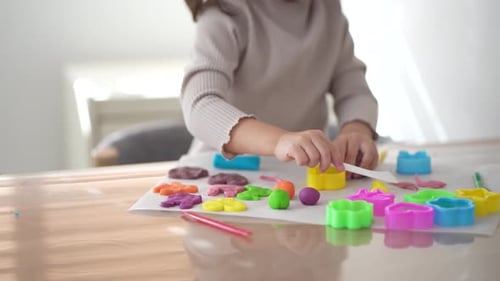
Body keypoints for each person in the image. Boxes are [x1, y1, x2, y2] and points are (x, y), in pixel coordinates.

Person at [181, 0, 379, 178]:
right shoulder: (225, 12)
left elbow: (354, 90)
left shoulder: (328, 10)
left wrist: (356, 129)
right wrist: (279, 141)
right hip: (221, 171)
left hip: (301, 173)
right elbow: (200, 105)